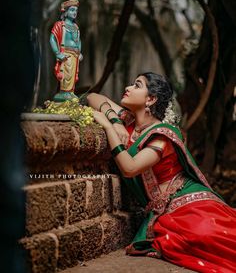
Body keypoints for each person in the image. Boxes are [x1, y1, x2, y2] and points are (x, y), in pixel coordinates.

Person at [87, 72, 236, 273]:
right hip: (166, 214)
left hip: (191, 204)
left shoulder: (162, 135)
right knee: (191, 240)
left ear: (151, 99)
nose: (128, 87)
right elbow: (93, 97)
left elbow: (130, 168)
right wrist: (114, 119)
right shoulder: (128, 121)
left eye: (137, 85)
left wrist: (107, 127)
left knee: (209, 235)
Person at [50, 0, 83, 102]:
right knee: (65, 74)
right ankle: (63, 93)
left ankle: (70, 92)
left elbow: (79, 42)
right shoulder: (60, 25)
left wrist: (79, 52)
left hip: (74, 55)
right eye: (72, 10)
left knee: (72, 75)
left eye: (76, 10)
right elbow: (52, 39)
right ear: (66, 11)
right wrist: (57, 53)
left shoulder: (76, 27)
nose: (74, 12)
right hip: (65, 54)